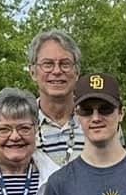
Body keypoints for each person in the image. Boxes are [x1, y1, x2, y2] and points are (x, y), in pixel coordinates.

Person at [27, 29, 87, 163]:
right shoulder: (20, 124)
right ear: (33, 72)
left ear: (77, 72)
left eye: (65, 64)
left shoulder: (96, 120)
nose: (57, 71)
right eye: (48, 64)